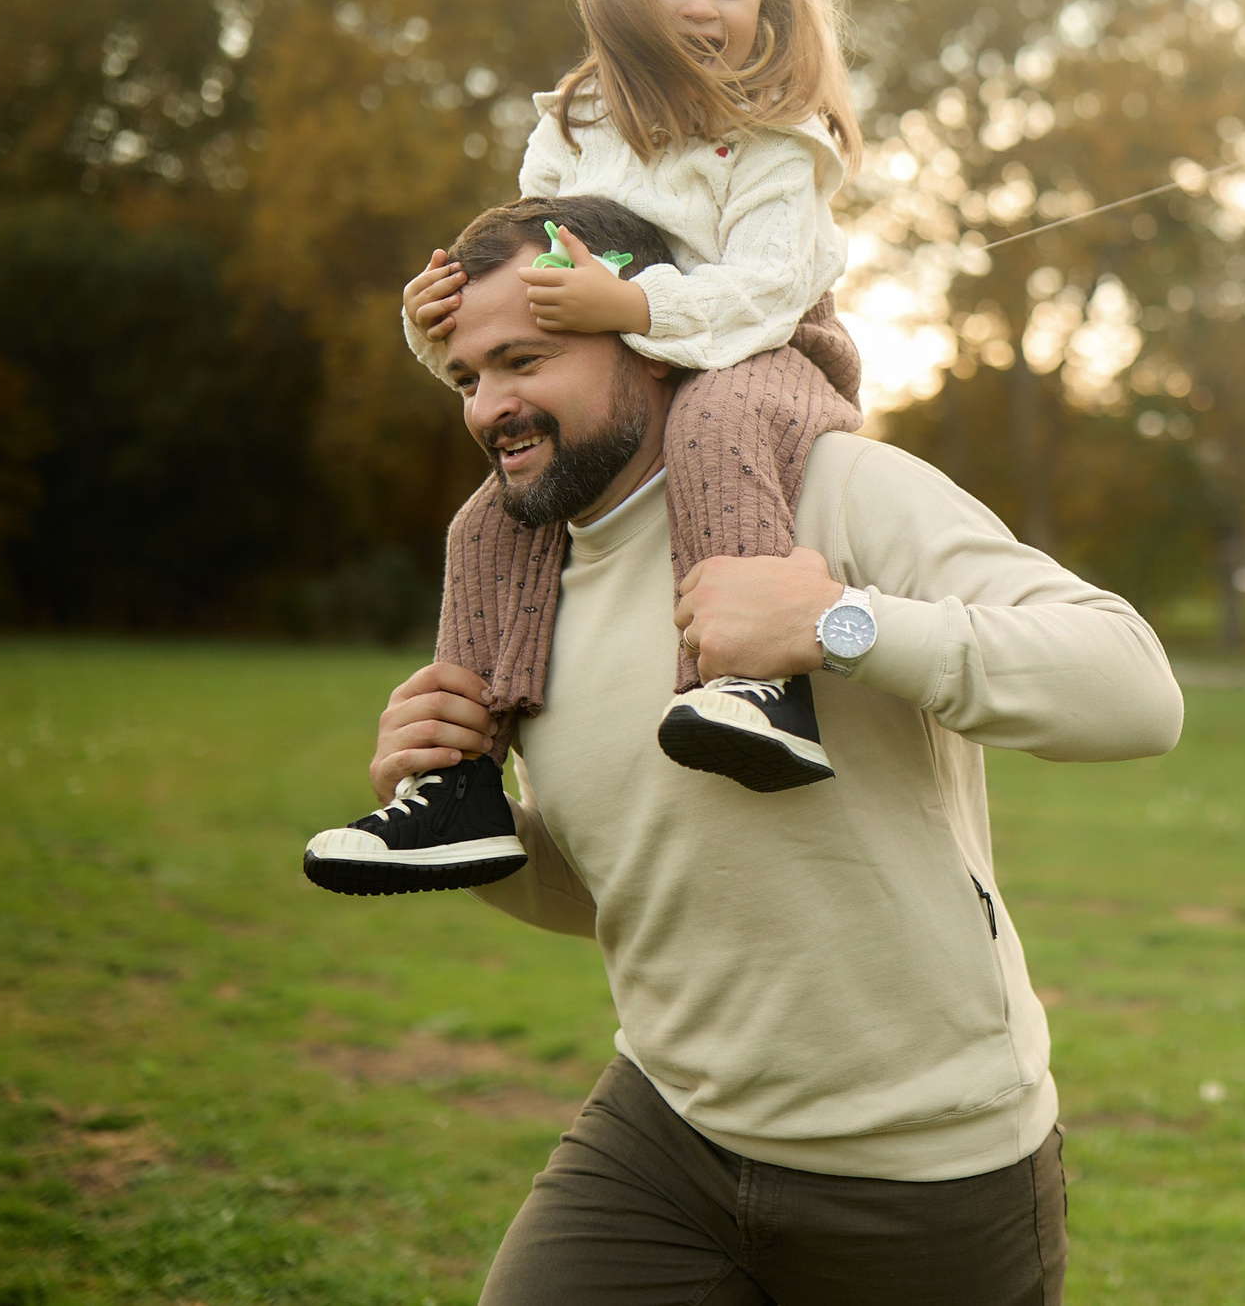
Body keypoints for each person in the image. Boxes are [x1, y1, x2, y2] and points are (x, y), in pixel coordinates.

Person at [358, 192, 1181, 1302]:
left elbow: (1135, 689)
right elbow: (617, 890)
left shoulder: (837, 486)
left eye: (525, 360)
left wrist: (840, 625)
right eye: (467, 376)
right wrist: (476, 829)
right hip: (668, 1132)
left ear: (654, 335)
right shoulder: (519, 587)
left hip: (928, 1162)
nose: (489, 408)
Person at [306, 0, 876, 897]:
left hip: (772, 353)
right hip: (630, 362)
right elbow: (532, 292)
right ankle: (460, 782)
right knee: (485, 523)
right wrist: (438, 320)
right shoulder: (574, 130)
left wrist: (635, 304)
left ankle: (755, 686)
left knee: (713, 420)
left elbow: (763, 292)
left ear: (770, 0)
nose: (702, 6)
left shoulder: (772, 141)